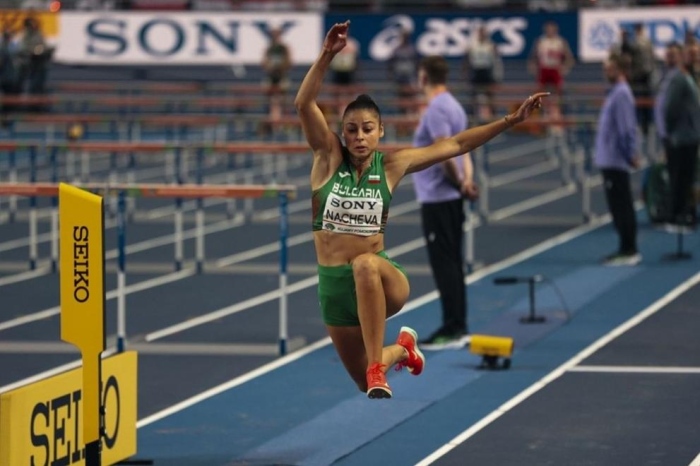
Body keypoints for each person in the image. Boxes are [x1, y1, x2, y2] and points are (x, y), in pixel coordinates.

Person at [294, 20, 546, 399]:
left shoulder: (392, 166)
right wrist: (328, 54)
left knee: (364, 265)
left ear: (381, 131)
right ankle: (402, 350)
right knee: (362, 383)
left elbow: (456, 144)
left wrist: (511, 119)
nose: (359, 137)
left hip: (382, 280)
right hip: (333, 289)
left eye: (367, 129)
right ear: (342, 133)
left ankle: (377, 366)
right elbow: (303, 104)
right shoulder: (327, 159)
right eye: (352, 130)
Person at [411, 55, 478, 349]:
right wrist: (467, 180)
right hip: (450, 195)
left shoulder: (437, 109)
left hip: (439, 197)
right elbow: (465, 149)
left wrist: (459, 183)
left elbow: (445, 155)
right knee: (453, 262)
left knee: (445, 265)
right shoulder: (454, 105)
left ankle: (453, 327)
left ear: (424, 77)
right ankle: (458, 324)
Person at [594, 53, 641, 266]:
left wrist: (630, 153)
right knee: (618, 206)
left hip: (616, 158)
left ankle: (629, 249)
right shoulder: (615, 92)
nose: (605, 72)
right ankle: (625, 247)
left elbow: (626, 128)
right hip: (610, 158)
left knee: (622, 206)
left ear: (620, 70)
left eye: (610, 68)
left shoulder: (621, 94)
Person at [663, 43, 700, 232]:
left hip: (691, 136)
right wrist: (671, 133)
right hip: (681, 138)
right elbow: (670, 108)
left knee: (687, 178)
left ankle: (686, 212)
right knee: (679, 179)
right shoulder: (679, 79)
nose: (694, 58)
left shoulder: (690, 78)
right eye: (690, 55)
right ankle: (675, 215)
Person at [462, 25, 502, 122]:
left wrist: (497, 76)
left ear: (486, 34)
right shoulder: (472, 46)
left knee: (490, 96)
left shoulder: (491, 46)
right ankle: (472, 117)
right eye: (480, 33)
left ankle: (493, 118)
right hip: (476, 72)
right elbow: (466, 61)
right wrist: (465, 74)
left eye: (483, 33)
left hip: (487, 72)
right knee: (473, 97)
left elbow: (496, 62)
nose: (482, 35)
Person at [261, 27, 292, 130]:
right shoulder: (269, 49)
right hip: (271, 77)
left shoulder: (284, 48)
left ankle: (281, 122)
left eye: (277, 35)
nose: (275, 37)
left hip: (282, 76)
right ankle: (273, 122)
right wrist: (270, 66)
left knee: (281, 99)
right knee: (271, 100)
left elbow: (289, 62)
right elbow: (264, 62)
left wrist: (280, 66)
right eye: (273, 35)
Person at [387, 27, 418, 114]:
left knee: (410, 97)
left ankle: (409, 114)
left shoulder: (412, 50)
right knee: (401, 97)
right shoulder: (397, 50)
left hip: (410, 78)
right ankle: (402, 113)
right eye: (404, 36)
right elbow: (391, 63)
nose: (405, 38)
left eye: (406, 36)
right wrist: (390, 74)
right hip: (399, 77)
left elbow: (417, 63)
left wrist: (417, 75)